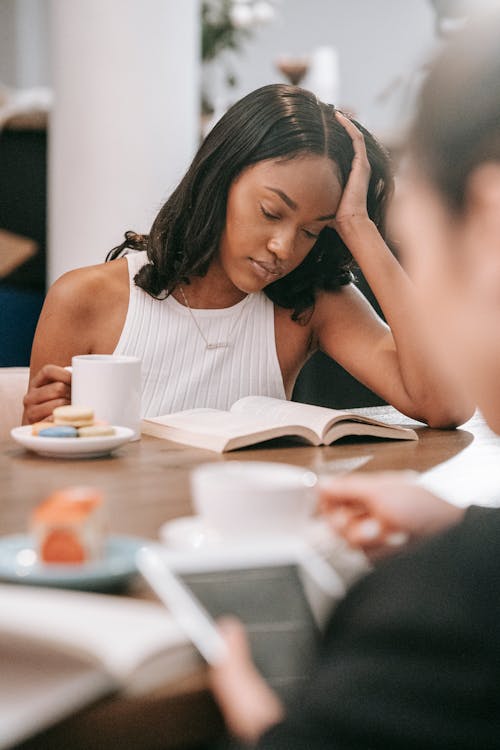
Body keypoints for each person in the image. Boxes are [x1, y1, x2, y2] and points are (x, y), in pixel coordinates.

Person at [208, 14, 500, 749]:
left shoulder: (436, 610)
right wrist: (465, 527)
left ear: (487, 222)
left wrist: (270, 728)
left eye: (411, 228)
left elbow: (439, 400)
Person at [22, 84, 471, 427]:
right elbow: (43, 471)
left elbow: (445, 403)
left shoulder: (308, 306)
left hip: (255, 536)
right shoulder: (83, 299)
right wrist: (43, 425)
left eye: (313, 232)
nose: (284, 248)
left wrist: (359, 227)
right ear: (219, 179)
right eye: (270, 212)